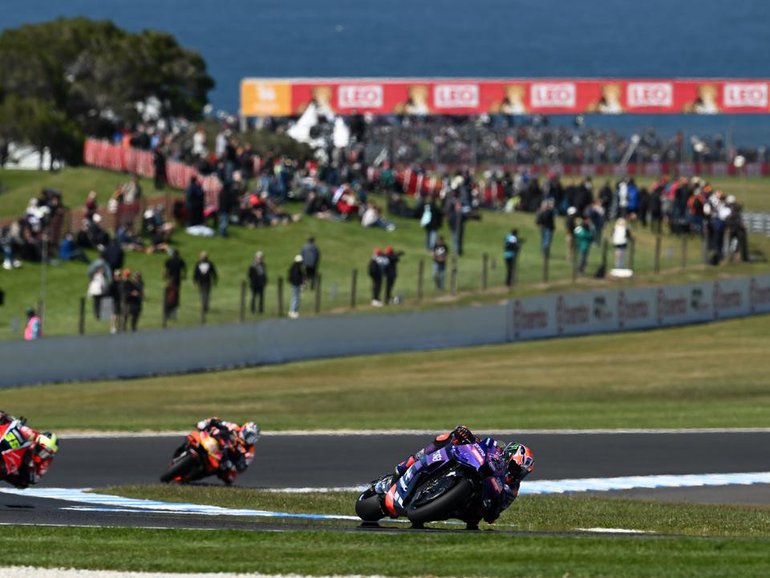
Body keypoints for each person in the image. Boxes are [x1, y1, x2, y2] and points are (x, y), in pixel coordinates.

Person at [384, 425, 534, 529]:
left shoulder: (512, 489)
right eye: (516, 468)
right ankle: (408, 464)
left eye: (521, 473)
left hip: (471, 508)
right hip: (473, 466)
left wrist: (493, 507)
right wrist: (466, 435)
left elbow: (493, 515)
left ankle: (431, 505)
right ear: (508, 456)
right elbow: (479, 442)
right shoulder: (495, 448)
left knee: (474, 519)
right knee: (447, 437)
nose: (516, 474)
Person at [189, 417, 260, 485]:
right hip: (215, 441)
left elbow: (243, 466)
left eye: (252, 439)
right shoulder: (234, 427)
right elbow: (218, 422)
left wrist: (232, 465)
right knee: (203, 428)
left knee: (229, 477)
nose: (248, 439)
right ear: (244, 429)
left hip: (225, 458)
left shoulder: (250, 450)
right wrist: (207, 422)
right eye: (248, 435)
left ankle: (197, 475)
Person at [0, 410, 59, 488]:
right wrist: (4, 417)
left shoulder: (43, 463)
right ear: (37, 444)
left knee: (23, 481)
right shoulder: (32, 434)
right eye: (41, 450)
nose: (42, 454)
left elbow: (33, 480)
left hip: (12, 464)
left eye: (46, 453)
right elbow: (14, 423)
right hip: (7, 440)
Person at [163, 249, 187, 320]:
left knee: (169, 295)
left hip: (170, 280)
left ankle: (168, 311)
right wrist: (184, 276)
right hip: (177, 280)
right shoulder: (180, 261)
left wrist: (165, 277)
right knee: (175, 295)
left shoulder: (168, 261)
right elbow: (184, 269)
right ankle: (173, 310)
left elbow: (165, 270)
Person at [193, 251, 218, 316]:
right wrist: (195, 281)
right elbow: (196, 273)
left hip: (207, 281)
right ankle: (204, 305)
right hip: (201, 281)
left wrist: (215, 279)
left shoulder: (209, 264)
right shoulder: (198, 264)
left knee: (206, 293)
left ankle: (205, 305)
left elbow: (213, 272)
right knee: (202, 293)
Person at [287, 254, 304, 319]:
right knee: (295, 297)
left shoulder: (295, 267)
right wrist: (300, 283)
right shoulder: (296, 268)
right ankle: (292, 311)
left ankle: (294, 310)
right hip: (296, 284)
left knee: (296, 297)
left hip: (296, 284)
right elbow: (296, 277)